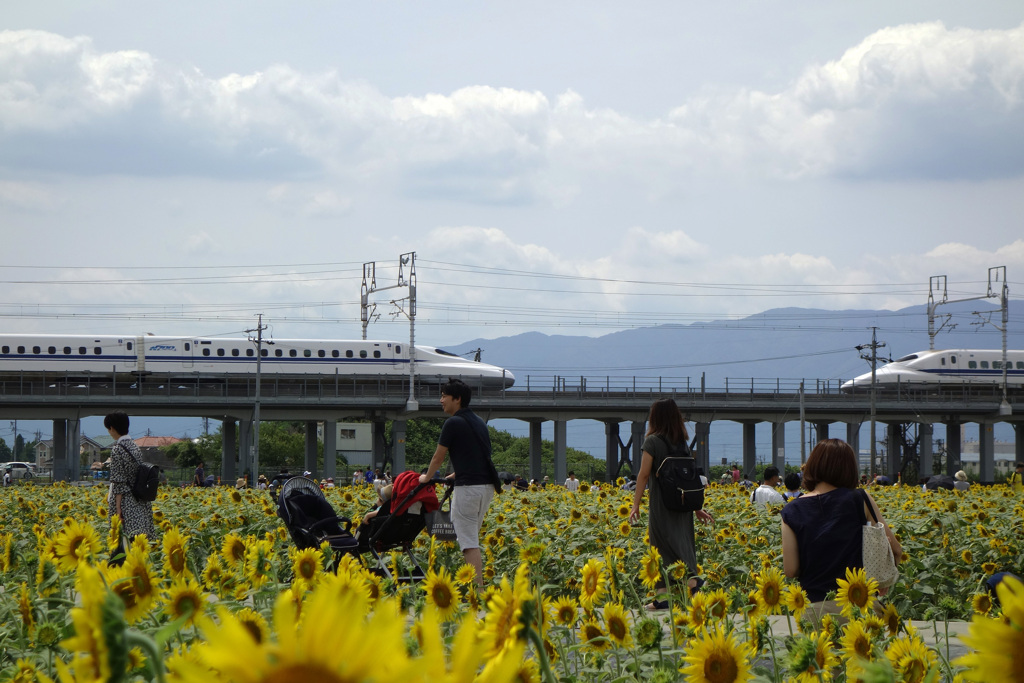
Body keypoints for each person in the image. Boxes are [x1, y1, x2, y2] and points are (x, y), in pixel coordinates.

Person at [781, 439, 903, 617]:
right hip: (860, 607)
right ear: (849, 468)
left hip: (815, 610)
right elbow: (896, 550)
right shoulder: (860, 498)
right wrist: (883, 580)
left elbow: (791, 570)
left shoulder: (791, 510)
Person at [629, 398, 714, 610]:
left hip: (662, 505)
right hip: (683, 504)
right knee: (682, 542)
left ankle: (688, 584)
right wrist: (696, 508)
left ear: (655, 417)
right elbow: (686, 477)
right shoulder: (681, 442)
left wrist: (635, 505)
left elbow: (643, 474)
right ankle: (670, 594)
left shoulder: (652, 442)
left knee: (659, 547)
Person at [420, 378, 503, 587]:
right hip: (485, 487)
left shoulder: (453, 422)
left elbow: (437, 457)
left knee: (468, 543)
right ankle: (478, 587)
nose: (441, 400)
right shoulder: (478, 421)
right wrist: (455, 475)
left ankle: (478, 591)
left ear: (457, 399)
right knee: (471, 537)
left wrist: (426, 478)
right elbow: (476, 456)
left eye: (444, 396)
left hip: (469, 489)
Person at [105, 411, 156, 565]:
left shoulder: (117, 449)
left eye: (108, 428)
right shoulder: (134, 445)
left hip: (125, 501)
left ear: (113, 428)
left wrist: (118, 509)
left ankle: (117, 570)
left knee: (121, 539)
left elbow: (118, 481)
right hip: (138, 499)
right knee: (136, 539)